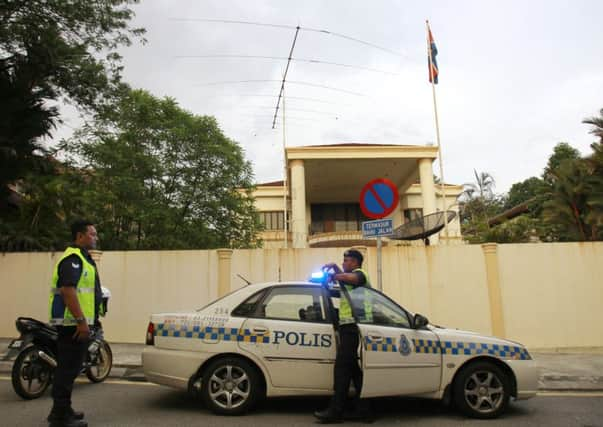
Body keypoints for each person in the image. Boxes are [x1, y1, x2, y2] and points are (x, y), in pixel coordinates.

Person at [47, 220, 103, 427]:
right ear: (80, 236)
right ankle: (60, 418)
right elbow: (68, 290)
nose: (95, 237)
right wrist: (81, 322)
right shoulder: (73, 258)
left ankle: (62, 410)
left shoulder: (84, 259)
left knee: (70, 369)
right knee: (67, 371)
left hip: (78, 324)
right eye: (92, 234)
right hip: (72, 325)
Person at [314, 249, 373, 424]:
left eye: (346, 260)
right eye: (343, 260)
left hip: (355, 326)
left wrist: (335, 271)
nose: (344, 263)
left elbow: (352, 278)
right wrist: (328, 281)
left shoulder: (361, 275)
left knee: (342, 369)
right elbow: (341, 287)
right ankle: (363, 409)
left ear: (355, 263)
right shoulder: (348, 282)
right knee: (353, 369)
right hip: (349, 327)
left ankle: (335, 411)